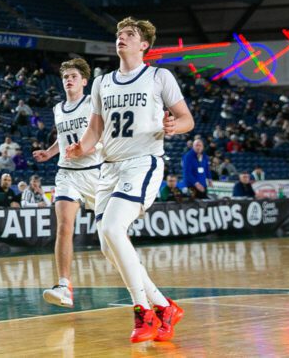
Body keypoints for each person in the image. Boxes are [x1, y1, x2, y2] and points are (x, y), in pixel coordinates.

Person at [66, 17, 194, 343]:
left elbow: (186, 119)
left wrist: (173, 127)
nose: (122, 38)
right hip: (108, 169)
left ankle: (143, 312)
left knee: (112, 229)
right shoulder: (101, 83)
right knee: (109, 248)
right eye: (120, 34)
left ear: (144, 45)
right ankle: (164, 306)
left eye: (130, 35)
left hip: (142, 162)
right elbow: (96, 128)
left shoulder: (158, 76)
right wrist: (83, 147)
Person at [33, 58, 100, 308]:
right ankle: (64, 286)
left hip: (95, 172)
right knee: (63, 226)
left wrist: (85, 149)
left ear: (84, 81)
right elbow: (62, 138)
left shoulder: (93, 103)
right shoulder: (58, 108)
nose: (68, 80)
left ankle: (138, 284)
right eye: (65, 77)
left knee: (111, 235)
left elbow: (104, 134)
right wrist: (49, 153)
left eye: (73, 76)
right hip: (67, 173)